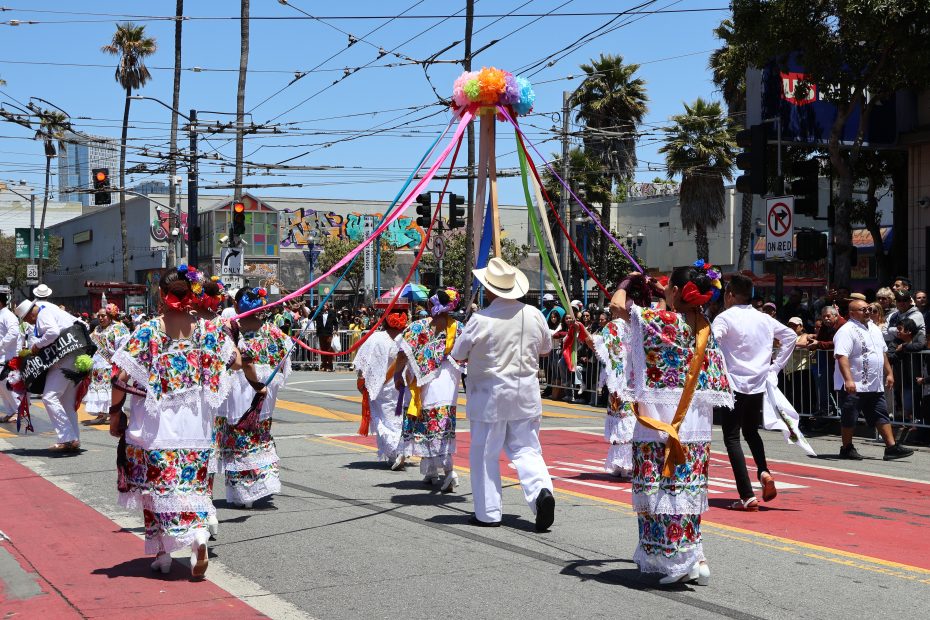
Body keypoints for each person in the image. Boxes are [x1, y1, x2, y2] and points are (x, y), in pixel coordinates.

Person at [109, 265, 238, 578]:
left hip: (158, 421)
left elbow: (119, 376)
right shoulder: (208, 328)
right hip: (197, 421)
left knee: (157, 486)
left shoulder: (149, 330)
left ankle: (166, 553)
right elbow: (234, 358)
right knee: (192, 483)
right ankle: (197, 538)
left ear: (161, 294)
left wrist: (115, 414)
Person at [611, 263, 733, 586]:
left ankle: (677, 559)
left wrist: (628, 282)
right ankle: (696, 556)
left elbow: (616, 306)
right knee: (686, 492)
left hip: (661, 423)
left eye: (668, 289)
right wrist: (655, 292)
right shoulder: (703, 325)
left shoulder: (662, 323)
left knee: (662, 492)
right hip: (695, 425)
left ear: (677, 292)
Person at [450, 257, 555, 531]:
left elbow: (458, 353)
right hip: (525, 394)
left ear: (490, 289)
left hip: (490, 396)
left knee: (485, 453)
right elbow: (546, 348)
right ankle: (541, 491)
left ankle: (488, 512)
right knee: (527, 449)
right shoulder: (534, 314)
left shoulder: (481, 319)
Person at [712, 274, 797, 511]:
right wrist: (774, 367)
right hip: (758, 383)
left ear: (729, 295)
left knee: (732, 437)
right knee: (751, 431)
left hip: (734, 383)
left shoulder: (725, 317)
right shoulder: (764, 318)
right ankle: (763, 471)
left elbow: (712, 340)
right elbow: (790, 336)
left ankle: (747, 495)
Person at [215, 287, 288, 509]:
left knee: (237, 438)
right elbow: (283, 365)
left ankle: (243, 491)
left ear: (237, 305)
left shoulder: (229, 331)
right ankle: (257, 485)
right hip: (262, 396)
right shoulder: (274, 333)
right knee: (259, 435)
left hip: (240, 394)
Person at [394, 288, 464, 492]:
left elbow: (401, 355)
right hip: (448, 385)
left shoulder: (418, 327)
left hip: (426, 385)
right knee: (440, 426)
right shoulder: (459, 328)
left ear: (432, 305)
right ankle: (432, 471)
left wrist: (398, 376)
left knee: (428, 425)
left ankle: (450, 472)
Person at [832, 298, 913, 461]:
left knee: (880, 414)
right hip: (854, 384)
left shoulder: (874, 329)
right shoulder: (846, 330)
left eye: (869, 308)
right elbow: (842, 356)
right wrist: (848, 380)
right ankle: (846, 448)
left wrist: (889, 373)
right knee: (850, 416)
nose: (868, 311)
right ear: (852, 313)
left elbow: (882, 353)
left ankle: (891, 447)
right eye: (863, 309)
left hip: (874, 383)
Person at [15, 296, 86, 452]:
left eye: (28, 320)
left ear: (29, 315)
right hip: (75, 354)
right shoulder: (51, 310)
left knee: (49, 397)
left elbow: (53, 332)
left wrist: (37, 345)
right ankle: (74, 439)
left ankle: (66, 437)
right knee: (66, 402)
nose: (30, 323)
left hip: (65, 357)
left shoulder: (42, 314)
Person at [577, 311, 635, 478]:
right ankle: (623, 464)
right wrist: (583, 331)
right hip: (622, 380)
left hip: (631, 380)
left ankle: (626, 464)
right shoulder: (615, 325)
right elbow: (596, 343)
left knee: (628, 421)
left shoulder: (638, 322)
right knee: (623, 421)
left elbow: (594, 343)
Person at [354, 308, 409, 469]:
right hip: (402, 383)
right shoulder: (406, 338)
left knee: (383, 419)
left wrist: (360, 378)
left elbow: (363, 362)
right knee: (399, 418)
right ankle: (399, 450)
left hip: (381, 385)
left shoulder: (376, 337)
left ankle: (396, 451)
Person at [83, 304, 130, 426]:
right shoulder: (97, 329)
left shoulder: (120, 328)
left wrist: (119, 362)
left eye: (103, 316)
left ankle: (113, 413)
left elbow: (125, 346)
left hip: (112, 366)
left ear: (110, 316)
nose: (100, 318)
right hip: (97, 365)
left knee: (111, 390)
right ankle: (102, 414)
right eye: (99, 316)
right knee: (99, 390)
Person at [0, 293, 19, 423]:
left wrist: (1, 345)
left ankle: (18, 411)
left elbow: (14, 332)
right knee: (2, 386)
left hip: (7, 356)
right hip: (1, 356)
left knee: (7, 384)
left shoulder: (8, 315)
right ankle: (11, 411)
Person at [315, 302, 339, 371]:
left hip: (329, 333)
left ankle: (330, 365)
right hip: (321, 333)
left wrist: (335, 330)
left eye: (325, 305)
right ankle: (324, 365)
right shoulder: (318, 313)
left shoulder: (332, 313)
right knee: (323, 349)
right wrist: (316, 309)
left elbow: (336, 323)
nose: (324, 306)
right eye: (323, 305)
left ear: (328, 306)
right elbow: (310, 317)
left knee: (329, 350)